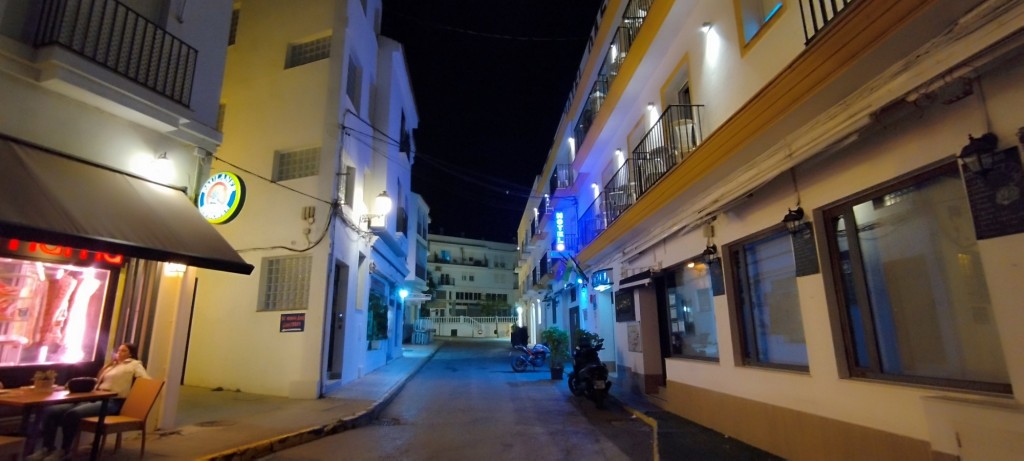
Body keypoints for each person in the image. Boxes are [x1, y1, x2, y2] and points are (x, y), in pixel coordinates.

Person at [27, 343, 150, 461]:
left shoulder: (134, 365)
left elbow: (145, 380)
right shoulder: (112, 365)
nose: (119, 353)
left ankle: (65, 450)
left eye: (124, 351)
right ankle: (47, 447)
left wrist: (131, 394)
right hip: (95, 396)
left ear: (131, 354)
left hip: (112, 401)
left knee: (73, 414)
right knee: (52, 411)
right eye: (118, 350)